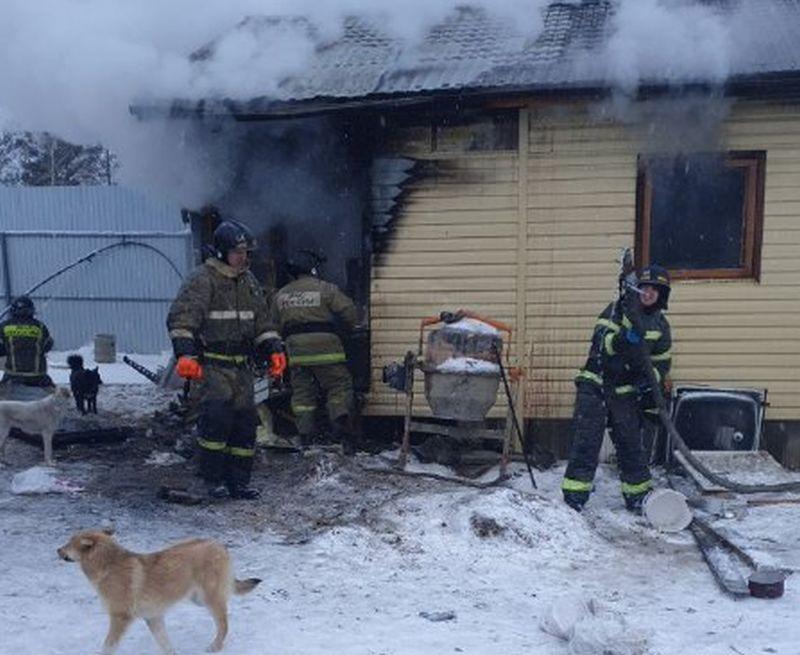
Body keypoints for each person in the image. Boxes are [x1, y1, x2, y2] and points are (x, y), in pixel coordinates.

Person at [167, 220, 286, 500]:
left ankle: (238, 482)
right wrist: (185, 354)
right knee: (216, 424)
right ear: (222, 252)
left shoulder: (248, 281)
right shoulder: (202, 279)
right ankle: (212, 480)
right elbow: (182, 319)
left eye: (246, 253)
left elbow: (263, 322)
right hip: (214, 366)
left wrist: (274, 349)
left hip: (242, 367)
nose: (243, 258)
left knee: (244, 427)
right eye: (238, 252)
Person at [561, 265, 673, 513]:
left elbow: (662, 363)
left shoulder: (661, 326)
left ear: (662, 295)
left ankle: (637, 495)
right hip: (596, 385)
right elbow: (602, 344)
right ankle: (574, 496)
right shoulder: (616, 311)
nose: (648, 293)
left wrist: (648, 380)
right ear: (636, 289)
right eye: (644, 288)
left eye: (655, 290)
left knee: (631, 443)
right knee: (587, 441)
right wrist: (624, 339)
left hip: (625, 391)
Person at [271, 250, 359, 453]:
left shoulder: (281, 295)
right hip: (327, 350)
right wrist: (350, 327)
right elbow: (349, 311)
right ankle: (340, 426)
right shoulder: (325, 288)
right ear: (312, 268)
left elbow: (272, 325)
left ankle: (305, 436)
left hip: (297, 352)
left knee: (302, 393)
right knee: (339, 386)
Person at [0, 295, 55, 389]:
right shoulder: (40, 326)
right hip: (38, 376)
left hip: (13, 375)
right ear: (31, 310)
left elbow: (1, 350)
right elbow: (47, 346)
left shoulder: (4, 326)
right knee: (53, 393)